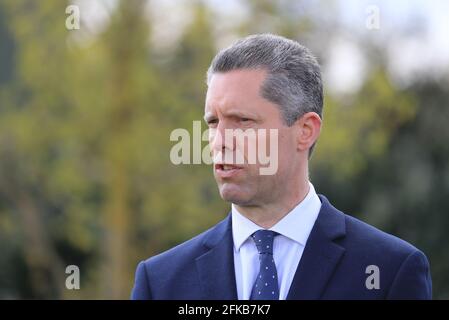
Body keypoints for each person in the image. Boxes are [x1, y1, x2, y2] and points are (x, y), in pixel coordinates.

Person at [131, 34, 432, 300]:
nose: (219, 140)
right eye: (213, 122)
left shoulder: (389, 272)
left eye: (243, 121)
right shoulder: (160, 282)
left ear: (305, 130)